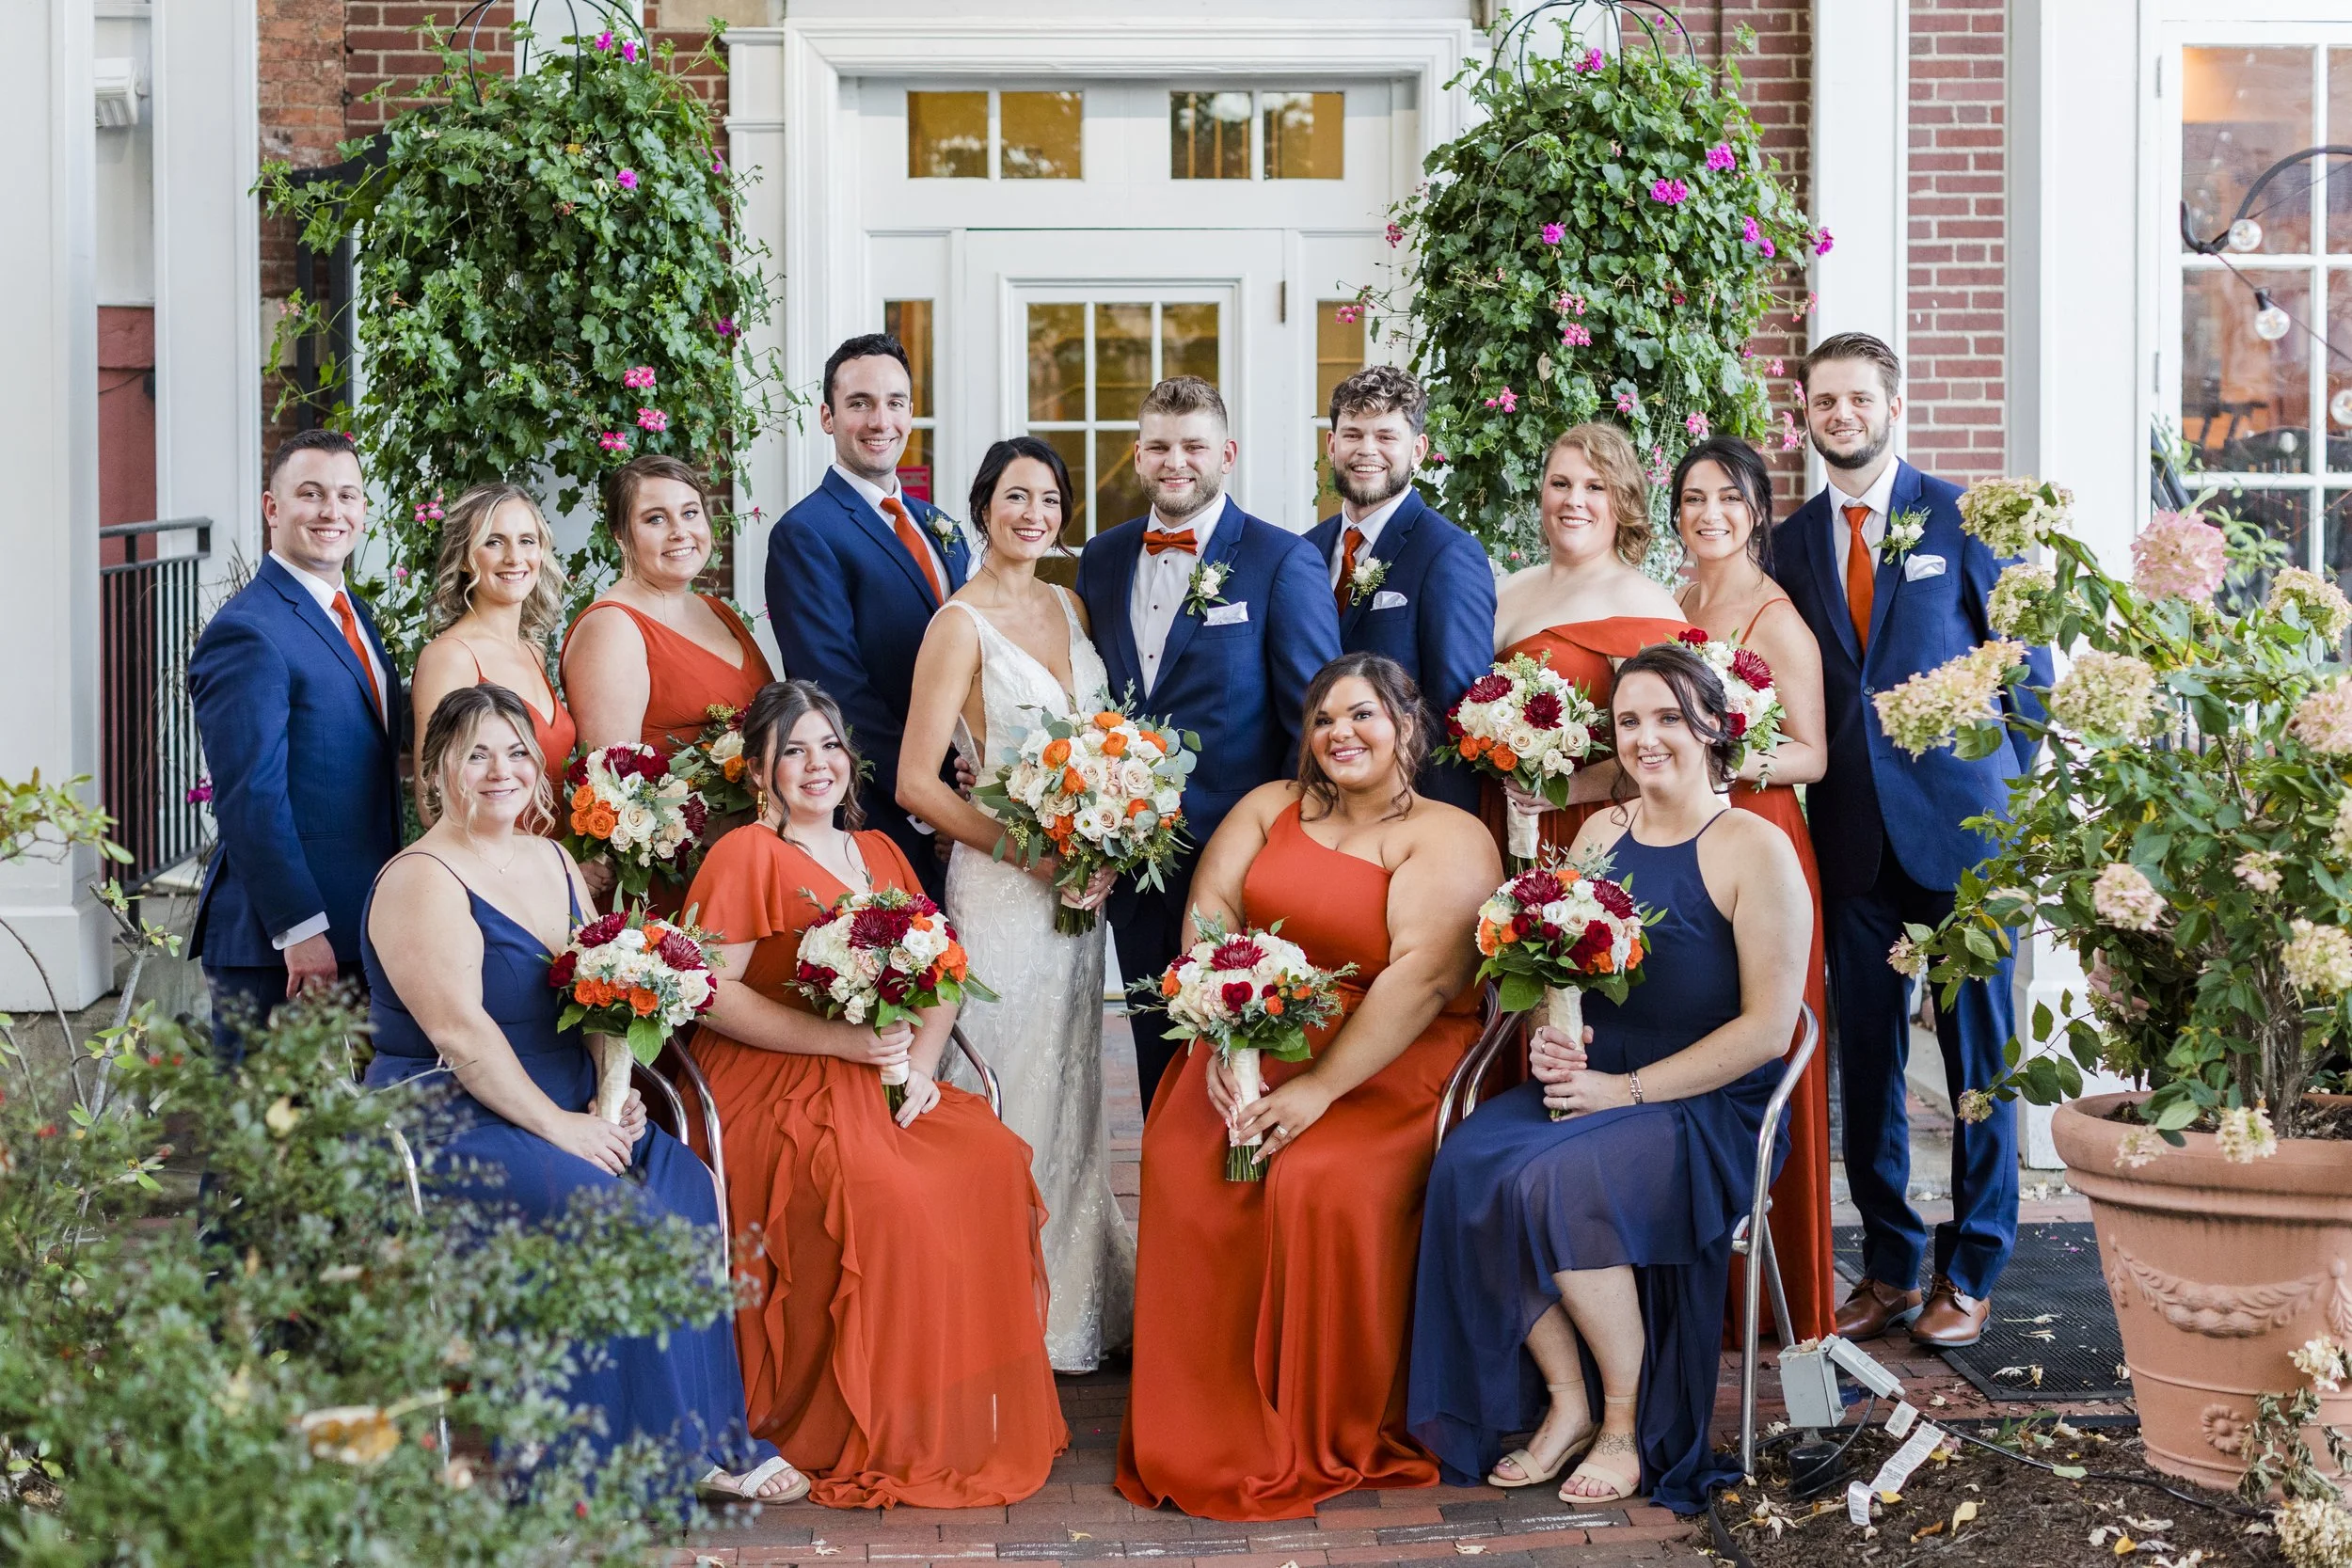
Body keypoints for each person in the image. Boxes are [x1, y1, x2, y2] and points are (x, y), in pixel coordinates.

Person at [361, 684, 801, 1504]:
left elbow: (602, 988)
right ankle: (599, 1472)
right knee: (613, 1214)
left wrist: (610, 1095)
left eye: (517, 751)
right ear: (438, 772)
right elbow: (462, 1037)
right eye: (477, 754)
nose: (502, 770)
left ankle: (707, 1439)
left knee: (683, 1185)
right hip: (453, 1112)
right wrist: (562, 1128)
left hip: (563, 1100)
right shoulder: (422, 877)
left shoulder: (556, 857)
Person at [1408, 643, 1811, 1513]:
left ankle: (1625, 1425)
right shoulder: (1599, 833)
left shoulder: (1756, 849)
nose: (1646, 738)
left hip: (1706, 1108)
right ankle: (1569, 1398)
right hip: (1602, 1078)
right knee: (1468, 1163)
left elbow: (1769, 1030)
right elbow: (1571, 975)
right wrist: (1564, 1039)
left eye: (1668, 717)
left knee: (1558, 1181)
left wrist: (1624, 1092)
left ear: (1713, 724)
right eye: (1629, 721)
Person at [1117, 653, 1498, 1522]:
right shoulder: (1267, 807)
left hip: (1389, 1056)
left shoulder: (1446, 833)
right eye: (1325, 719)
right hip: (1260, 1033)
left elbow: (1427, 978)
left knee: (1317, 1181)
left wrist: (1321, 1089)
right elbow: (1212, 908)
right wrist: (1221, 1029)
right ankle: (1197, 1415)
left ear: (1407, 723)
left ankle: (1322, 1420)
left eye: (1362, 715)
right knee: (1184, 1146)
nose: (1341, 734)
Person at [684, 680, 1066, 1509]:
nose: (815, 764)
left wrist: (920, 1068)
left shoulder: (882, 853)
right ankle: (858, 1415)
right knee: (881, 1189)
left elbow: (943, 975)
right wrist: (844, 1042)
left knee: (989, 1157)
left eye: (827, 744)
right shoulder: (744, 853)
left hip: (882, 1069)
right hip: (774, 1073)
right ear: (759, 771)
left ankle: (941, 1402)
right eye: (792, 749)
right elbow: (713, 991)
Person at [1769, 333, 2051, 1349]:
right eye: (1822, 401)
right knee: (1871, 1070)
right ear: (1803, 413)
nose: (1838, 414)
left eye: (1855, 398)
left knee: (1978, 1065)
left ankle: (1969, 1268)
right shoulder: (1789, 540)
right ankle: (1888, 1264)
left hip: (1964, 838)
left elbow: (2030, 671)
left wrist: (1998, 797)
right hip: (1849, 839)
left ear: (1894, 404)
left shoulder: (1962, 517)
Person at [897, 436, 1134, 1374]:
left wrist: (1110, 841)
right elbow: (919, 779)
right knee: (1005, 1086)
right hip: (1005, 886)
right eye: (1013, 496)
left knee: (1071, 1081)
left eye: (1048, 498)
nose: (1031, 513)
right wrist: (1033, 857)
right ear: (982, 504)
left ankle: (1072, 1292)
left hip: (1080, 891)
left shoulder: (1069, 603)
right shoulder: (958, 624)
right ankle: (993, 1302)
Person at [1076, 375, 1342, 1105]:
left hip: (1241, 863)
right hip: (1133, 865)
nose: (1175, 461)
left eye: (1193, 445)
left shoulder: (1282, 560)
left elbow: (1314, 725)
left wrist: (1296, 852)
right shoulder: (1100, 559)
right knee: (1160, 1069)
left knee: (1244, 1066)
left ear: (1225, 453)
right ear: (1136, 455)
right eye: (1158, 445)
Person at [1669, 436, 1836, 1344]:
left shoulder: (1774, 618)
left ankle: (1782, 1297)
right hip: (1688, 842)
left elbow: (1814, 751)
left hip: (1764, 837)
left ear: (1757, 509)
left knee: (1765, 1046)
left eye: (1727, 499)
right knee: (1697, 1033)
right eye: (1693, 499)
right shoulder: (1676, 600)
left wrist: (1729, 763)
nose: (1709, 515)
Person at [189, 428, 405, 1058]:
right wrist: (300, 929)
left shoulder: (352, 613)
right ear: (272, 507)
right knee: (257, 1149)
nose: (331, 511)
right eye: (310, 493)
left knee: (330, 1149)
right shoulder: (248, 631)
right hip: (277, 945)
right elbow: (252, 796)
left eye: (347, 495)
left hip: (357, 923)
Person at [766, 333, 972, 903]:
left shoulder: (939, 525)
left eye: (896, 402)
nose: (882, 419)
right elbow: (837, 692)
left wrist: (979, 795)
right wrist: (930, 803)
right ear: (829, 417)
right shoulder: (805, 534)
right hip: (891, 818)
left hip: (968, 812)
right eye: (860, 403)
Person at [562, 454, 773, 911]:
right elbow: (614, 792)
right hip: (677, 883)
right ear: (620, 536)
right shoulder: (613, 628)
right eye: (656, 518)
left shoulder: (717, 611)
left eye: (690, 512)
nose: (680, 531)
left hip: (748, 861)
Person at [1487, 423, 1692, 859]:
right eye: (1560, 483)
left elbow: (1682, 745)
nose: (1573, 500)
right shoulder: (1507, 588)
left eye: (1595, 486)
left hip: (1596, 828)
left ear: (1622, 501)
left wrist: (1569, 790)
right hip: (1495, 820)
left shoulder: (1643, 604)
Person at [1304, 366, 1495, 813]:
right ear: (1332, 446)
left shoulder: (1448, 554)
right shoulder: (1305, 551)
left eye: (1386, 436)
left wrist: (1439, 827)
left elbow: (1459, 716)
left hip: (1406, 807)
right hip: (1316, 803)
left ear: (1418, 450)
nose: (1366, 450)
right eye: (1352, 435)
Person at [408, 482, 577, 828]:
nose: (515, 557)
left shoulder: (533, 650)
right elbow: (434, 807)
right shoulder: (451, 658)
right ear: (467, 559)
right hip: (499, 872)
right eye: (494, 541)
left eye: (526, 541)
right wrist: (545, 858)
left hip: (561, 870)